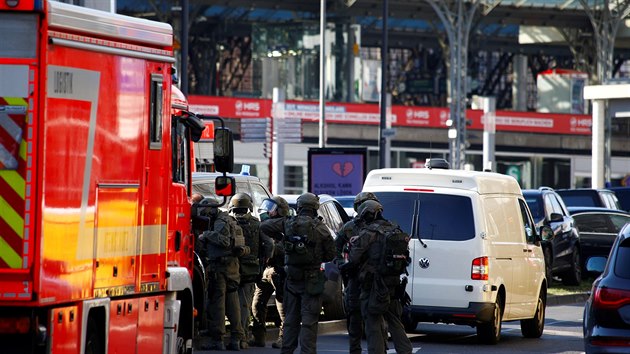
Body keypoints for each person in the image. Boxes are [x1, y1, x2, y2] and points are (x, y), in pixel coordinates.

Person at [347, 200, 413, 354]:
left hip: (373, 286)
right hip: (394, 285)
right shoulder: (396, 230)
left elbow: (353, 258)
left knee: (373, 324)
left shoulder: (368, 233)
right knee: (395, 322)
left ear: (368, 214)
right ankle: (405, 351)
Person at [281, 193, 336, 354]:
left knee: (290, 320)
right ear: (315, 208)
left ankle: (286, 351)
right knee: (309, 322)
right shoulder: (321, 228)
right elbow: (330, 254)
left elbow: (266, 228)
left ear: (299, 207)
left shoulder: (289, 223)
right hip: (312, 281)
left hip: (291, 279)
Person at [198, 202, 249, 351]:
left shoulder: (221, 222)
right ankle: (237, 338)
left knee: (217, 303)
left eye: (205, 211)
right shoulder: (230, 220)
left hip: (220, 267)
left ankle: (218, 339)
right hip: (232, 266)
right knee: (233, 303)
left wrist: (206, 235)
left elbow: (225, 241)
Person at [336, 192, 380, 354]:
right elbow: (336, 247)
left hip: (376, 279)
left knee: (375, 316)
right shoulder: (350, 227)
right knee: (354, 313)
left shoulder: (383, 226)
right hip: (355, 277)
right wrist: (342, 265)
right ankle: (355, 348)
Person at [229, 193, 274, 349]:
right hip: (250, 270)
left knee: (228, 304)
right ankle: (243, 337)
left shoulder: (228, 223)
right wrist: (265, 260)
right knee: (244, 304)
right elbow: (269, 245)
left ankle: (235, 336)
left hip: (229, 269)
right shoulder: (257, 224)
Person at [250, 196, 291, 348]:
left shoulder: (286, 226)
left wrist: (272, 251)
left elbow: (284, 248)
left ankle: (284, 338)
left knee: (283, 307)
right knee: (257, 304)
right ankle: (258, 337)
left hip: (279, 270)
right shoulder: (266, 226)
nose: (268, 211)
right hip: (267, 271)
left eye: (272, 208)